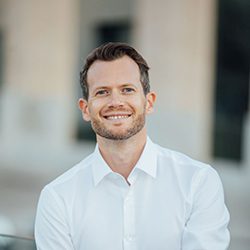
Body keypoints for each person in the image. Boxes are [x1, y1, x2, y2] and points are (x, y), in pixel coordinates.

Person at [35, 42, 230, 250]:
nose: (115, 101)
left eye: (127, 89)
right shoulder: (58, 197)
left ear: (149, 102)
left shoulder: (198, 182)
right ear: (85, 109)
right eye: (102, 92)